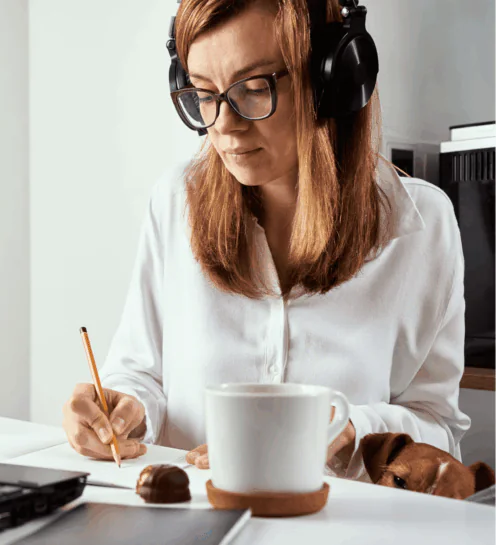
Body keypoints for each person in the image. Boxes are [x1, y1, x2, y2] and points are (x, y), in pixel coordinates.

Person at [61, 0, 470, 481]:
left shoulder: (422, 225)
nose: (223, 125)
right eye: (203, 94)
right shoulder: (175, 202)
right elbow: (140, 372)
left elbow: (438, 426)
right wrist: (123, 407)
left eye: (253, 89)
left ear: (331, 79)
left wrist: (349, 428)